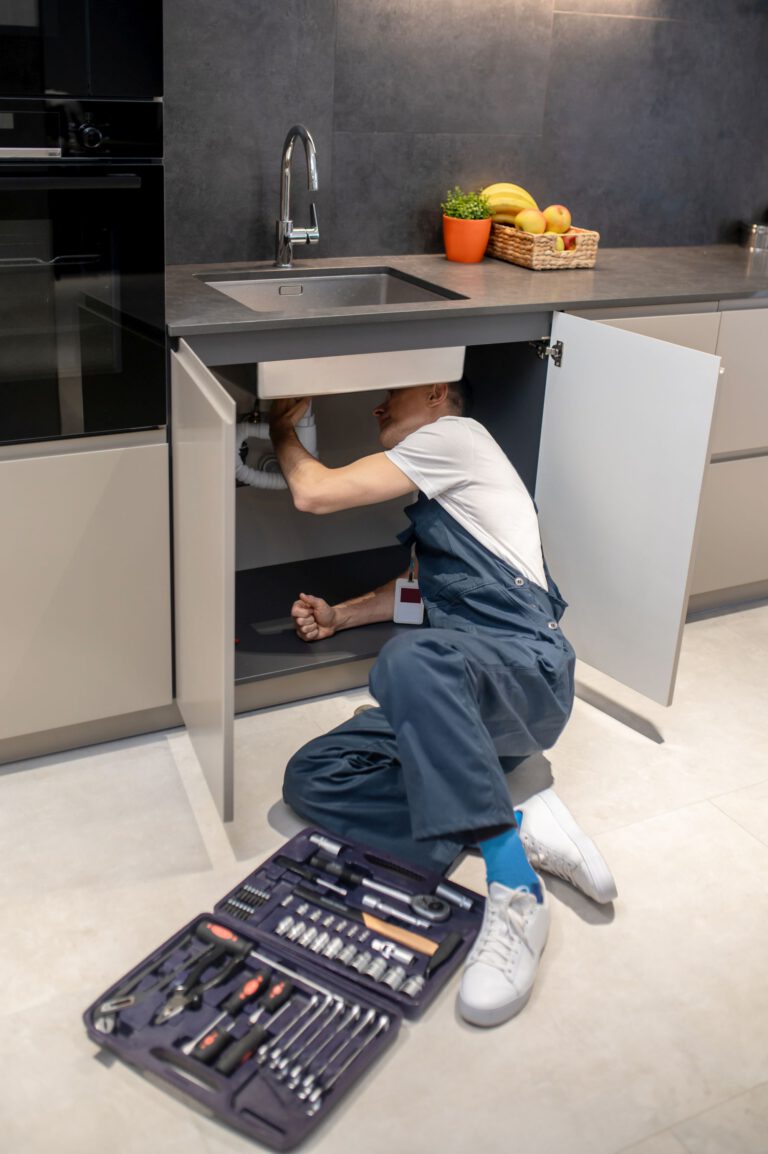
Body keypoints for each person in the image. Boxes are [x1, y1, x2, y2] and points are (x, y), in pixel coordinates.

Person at [268, 378, 617, 1028]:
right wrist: (340, 615)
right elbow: (421, 594)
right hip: (463, 698)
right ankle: (511, 819)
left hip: (525, 677)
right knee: (312, 777)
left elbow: (312, 492)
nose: (377, 407)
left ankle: (515, 890)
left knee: (409, 659)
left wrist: (280, 429)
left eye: (392, 395)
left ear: (435, 393)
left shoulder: (456, 437)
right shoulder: (453, 507)